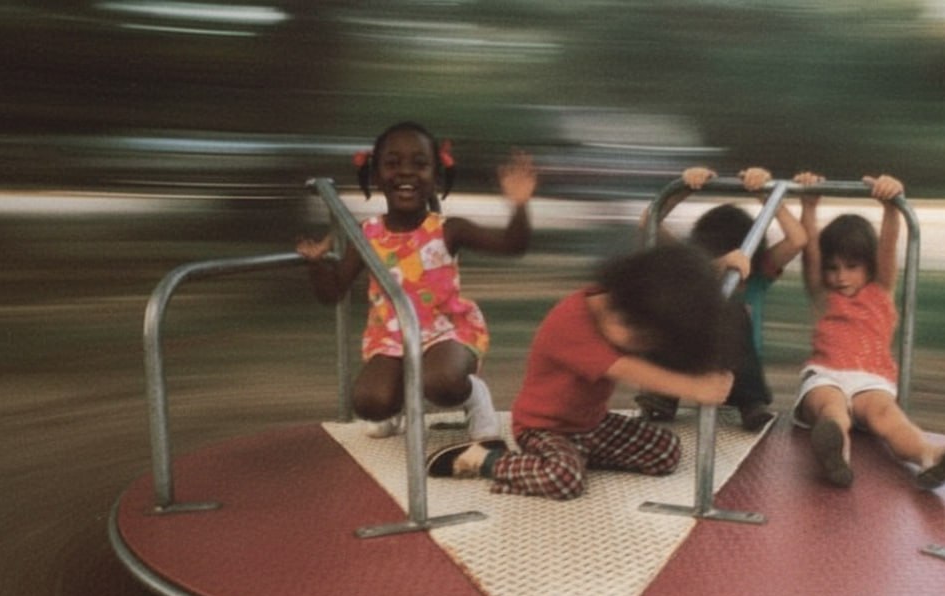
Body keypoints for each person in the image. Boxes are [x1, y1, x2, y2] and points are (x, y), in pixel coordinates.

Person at [426, 245, 735, 500]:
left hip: (590, 424)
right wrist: (692, 387)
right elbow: (628, 368)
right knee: (565, 480)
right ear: (624, 311)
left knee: (666, 452)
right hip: (544, 427)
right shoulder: (572, 322)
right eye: (641, 339)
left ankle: (570, 458)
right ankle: (486, 459)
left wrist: (718, 266)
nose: (641, 347)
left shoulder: (634, 301)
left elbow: (670, 281)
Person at [295, 120, 536, 440]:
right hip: (391, 339)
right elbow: (333, 290)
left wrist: (519, 204)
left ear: (436, 175)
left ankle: (475, 396)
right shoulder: (366, 235)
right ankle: (395, 407)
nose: (406, 172)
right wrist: (315, 265)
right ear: (376, 175)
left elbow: (512, 245)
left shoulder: (449, 229)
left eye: (420, 164)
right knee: (369, 403)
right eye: (392, 164)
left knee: (441, 384)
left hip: (446, 331)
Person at [794, 173, 945, 489]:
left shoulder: (881, 291)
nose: (840, 277)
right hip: (825, 375)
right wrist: (809, 206)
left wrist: (891, 207)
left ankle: (931, 455)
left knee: (888, 417)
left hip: (871, 380)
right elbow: (811, 255)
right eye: (833, 268)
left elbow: (888, 249)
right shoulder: (824, 297)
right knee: (832, 408)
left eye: (851, 267)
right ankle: (836, 457)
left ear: (870, 266)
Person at [634, 166, 809, 431]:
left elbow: (797, 239)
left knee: (734, 312)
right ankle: (662, 395)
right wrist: (685, 188)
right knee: (672, 304)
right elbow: (649, 223)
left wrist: (766, 194)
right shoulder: (694, 270)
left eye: (740, 268)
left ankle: (751, 403)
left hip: (738, 374)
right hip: (687, 367)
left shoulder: (758, 275)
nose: (734, 277)